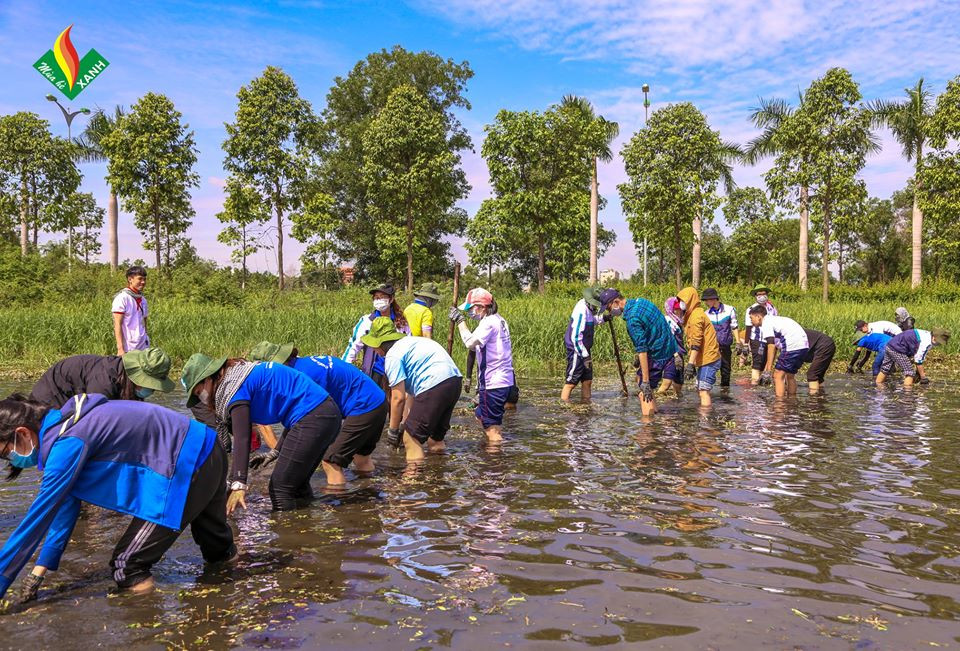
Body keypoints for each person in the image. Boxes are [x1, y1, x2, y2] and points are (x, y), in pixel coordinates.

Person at [0, 393, 235, 602]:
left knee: (128, 566)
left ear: (22, 433)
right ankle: (233, 597)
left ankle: (144, 628)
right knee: (218, 550)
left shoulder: (67, 444)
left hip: (187, 465)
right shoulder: (70, 421)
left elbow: (35, 522)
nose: (9, 460)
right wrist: (39, 571)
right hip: (208, 444)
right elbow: (64, 508)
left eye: (5, 453)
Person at [181, 354, 342, 511]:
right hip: (325, 413)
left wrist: (239, 483)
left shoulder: (233, 387)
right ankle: (306, 524)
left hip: (314, 417)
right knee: (296, 486)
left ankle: (286, 529)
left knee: (279, 489)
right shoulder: (240, 375)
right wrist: (275, 452)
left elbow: (242, 438)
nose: (201, 398)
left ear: (208, 378)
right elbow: (295, 410)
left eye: (199, 392)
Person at [247, 341, 387, 484]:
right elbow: (300, 419)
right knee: (361, 458)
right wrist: (276, 451)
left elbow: (309, 418)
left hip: (364, 407)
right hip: (378, 401)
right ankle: (370, 491)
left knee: (330, 462)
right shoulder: (303, 364)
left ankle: (337, 497)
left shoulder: (301, 377)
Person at [360, 317, 462, 461]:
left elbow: (398, 398)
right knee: (435, 439)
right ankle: (438, 470)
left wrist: (393, 430)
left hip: (433, 385)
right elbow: (413, 394)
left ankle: (412, 475)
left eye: (374, 346)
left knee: (410, 439)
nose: (374, 350)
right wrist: (404, 424)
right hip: (454, 381)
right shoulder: (412, 343)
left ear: (380, 343)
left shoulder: (393, 356)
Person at [449, 288, 515, 442]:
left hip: (493, 382)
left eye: (471, 309)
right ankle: (491, 449)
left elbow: (470, 343)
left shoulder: (489, 323)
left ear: (482, 307)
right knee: (480, 416)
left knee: (492, 431)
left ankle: (494, 455)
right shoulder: (499, 320)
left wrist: (460, 321)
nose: (470, 313)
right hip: (504, 380)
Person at [29, 348, 176, 409]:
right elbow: (94, 423)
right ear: (135, 377)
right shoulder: (103, 384)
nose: (150, 391)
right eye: (149, 385)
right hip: (49, 400)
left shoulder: (122, 379)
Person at [604, 294, 675, 416]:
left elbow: (642, 350)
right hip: (668, 348)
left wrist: (646, 382)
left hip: (656, 355)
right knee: (640, 379)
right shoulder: (642, 301)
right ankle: (655, 413)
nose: (610, 312)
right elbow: (656, 326)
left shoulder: (632, 319)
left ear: (616, 302)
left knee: (644, 392)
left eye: (609, 308)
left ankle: (648, 424)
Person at [343, 283, 410, 388]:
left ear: (391, 299)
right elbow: (354, 345)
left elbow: (408, 344)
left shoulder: (401, 322)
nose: (379, 300)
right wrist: (345, 367)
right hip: (374, 370)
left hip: (396, 369)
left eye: (382, 297)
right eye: (376, 298)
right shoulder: (367, 321)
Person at [676, 287, 722, 407]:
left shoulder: (696, 317)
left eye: (683, 300)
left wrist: (690, 364)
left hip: (709, 359)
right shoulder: (692, 315)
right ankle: (703, 414)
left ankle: (705, 416)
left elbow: (696, 343)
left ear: (690, 300)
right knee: (700, 389)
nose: (681, 304)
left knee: (703, 390)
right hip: (704, 358)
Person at [749, 306, 809, 397]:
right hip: (804, 346)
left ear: (758, 317)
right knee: (790, 375)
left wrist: (768, 371)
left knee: (777, 376)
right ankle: (792, 400)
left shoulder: (766, 323)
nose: (751, 321)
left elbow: (771, 346)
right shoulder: (775, 320)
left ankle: (779, 403)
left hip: (792, 347)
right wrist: (767, 368)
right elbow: (775, 347)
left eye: (751, 318)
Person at [560, 287, 605, 402]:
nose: (596, 308)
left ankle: (586, 404)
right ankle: (564, 405)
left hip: (585, 350)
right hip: (577, 350)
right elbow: (575, 337)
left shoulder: (589, 309)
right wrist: (585, 356)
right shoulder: (581, 310)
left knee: (587, 380)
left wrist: (604, 318)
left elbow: (592, 320)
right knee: (571, 382)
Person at [876, 328, 950, 387]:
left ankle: (878, 387)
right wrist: (923, 377)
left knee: (885, 368)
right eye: (939, 343)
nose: (938, 345)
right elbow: (918, 360)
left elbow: (920, 356)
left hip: (890, 345)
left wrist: (919, 373)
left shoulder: (926, 335)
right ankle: (908, 395)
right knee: (910, 372)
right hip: (898, 349)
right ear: (934, 338)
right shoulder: (926, 342)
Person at [741, 284, 779, 385]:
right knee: (757, 363)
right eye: (759, 294)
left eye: (764, 294)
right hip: (757, 339)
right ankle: (754, 384)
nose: (762, 296)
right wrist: (746, 344)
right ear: (755, 296)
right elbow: (748, 327)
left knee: (768, 361)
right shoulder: (751, 309)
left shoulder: (772, 308)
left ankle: (763, 382)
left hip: (770, 340)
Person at [702, 288, 739, 388]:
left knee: (726, 369)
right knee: (710, 368)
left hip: (725, 345)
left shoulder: (729, 310)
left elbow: (734, 326)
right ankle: (706, 388)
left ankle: (725, 390)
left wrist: (738, 342)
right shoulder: (706, 314)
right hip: (712, 346)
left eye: (707, 300)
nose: (706, 303)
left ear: (714, 299)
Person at [112, 265, 149, 355]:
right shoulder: (122, 298)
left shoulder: (143, 300)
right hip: (128, 348)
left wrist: (146, 339)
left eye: (144, 279)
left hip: (143, 346)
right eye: (140, 279)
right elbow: (117, 324)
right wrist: (120, 349)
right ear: (130, 279)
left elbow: (144, 322)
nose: (143, 282)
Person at [659, 297, 687, 397]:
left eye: (680, 309)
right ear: (670, 309)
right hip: (672, 356)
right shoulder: (669, 321)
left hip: (679, 354)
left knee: (678, 384)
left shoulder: (678, 322)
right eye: (676, 309)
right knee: (666, 383)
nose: (679, 312)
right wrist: (676, 355)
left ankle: (677, 402)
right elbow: (668, 340)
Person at [802, 328, 836, 394]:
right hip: (826, 344)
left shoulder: (787, 335)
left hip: (824, 345)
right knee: (818, 377)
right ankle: (821, 395)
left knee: (812, 375)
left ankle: (814, 399)